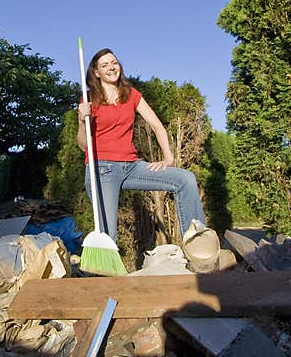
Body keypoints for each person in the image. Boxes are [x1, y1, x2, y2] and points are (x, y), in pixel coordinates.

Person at [77, 47, 207, 243]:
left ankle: (198, 244)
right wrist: (81, 120)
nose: (111, 67)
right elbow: (84, 146)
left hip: (131, 166)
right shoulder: (89, 100)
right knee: (108, 237)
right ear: (96, 72)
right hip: (102, 169)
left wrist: (168, 157)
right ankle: (104, 273)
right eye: (105, 65)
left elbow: (156, 125)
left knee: (185, 179)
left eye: (114, 63)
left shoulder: (131, 94)